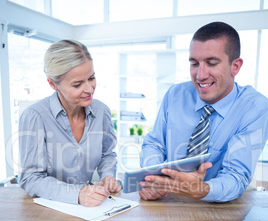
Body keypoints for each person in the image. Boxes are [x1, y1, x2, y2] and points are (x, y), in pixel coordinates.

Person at [139, 22, 268, 202]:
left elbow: (236, 175)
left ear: (235, 66)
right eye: (194, 63)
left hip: (217, 208)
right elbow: (154, 144)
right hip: (169, 201)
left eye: (211, 63)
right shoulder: (175, 95)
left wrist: (204, 189)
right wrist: (153, 179)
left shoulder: (255, 107)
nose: (200, 75)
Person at [19, 39, 121, 207]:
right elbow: (30, 178)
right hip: (48, 210)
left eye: (92, 78)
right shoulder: (35, 116)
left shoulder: (102, 112)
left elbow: (107, 154)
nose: (89, 89)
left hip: (91, 209)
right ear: (53, 84)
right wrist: (77, 194)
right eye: (77, 84)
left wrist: (107, 177)